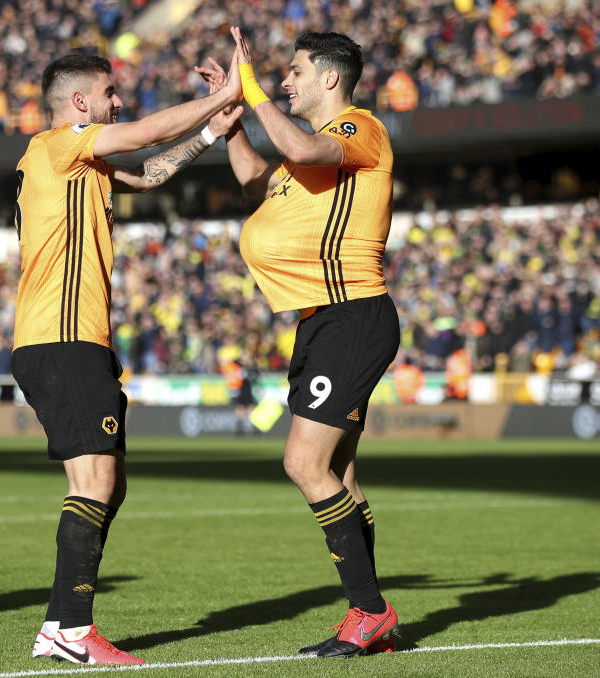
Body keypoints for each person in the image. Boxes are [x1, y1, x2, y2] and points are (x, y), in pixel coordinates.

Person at [12, 52, 243, 665]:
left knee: (108, 486)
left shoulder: (82, 165)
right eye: (109, 93)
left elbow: (150, 170)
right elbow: (143, 135)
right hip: (60, 338)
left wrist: (211, 134)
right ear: (80, 103)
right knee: (96, 480)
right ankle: (72, 630)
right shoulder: (58, 146)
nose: (119, 101)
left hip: (80, 339)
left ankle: (61, 625)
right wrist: (224, 96)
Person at [201, 27, 400, 657]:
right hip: (318, 321)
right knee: (337, 471)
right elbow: (256, 182)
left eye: (293, 72)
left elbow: (303, 149)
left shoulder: (356, 131)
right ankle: (368, 616)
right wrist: (234, 125)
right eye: (281, 74)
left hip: (352, 312)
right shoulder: (302, 157)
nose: (285, 81)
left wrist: (253, 89)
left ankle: (369, 611)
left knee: (303, 464)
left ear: (330, 79)